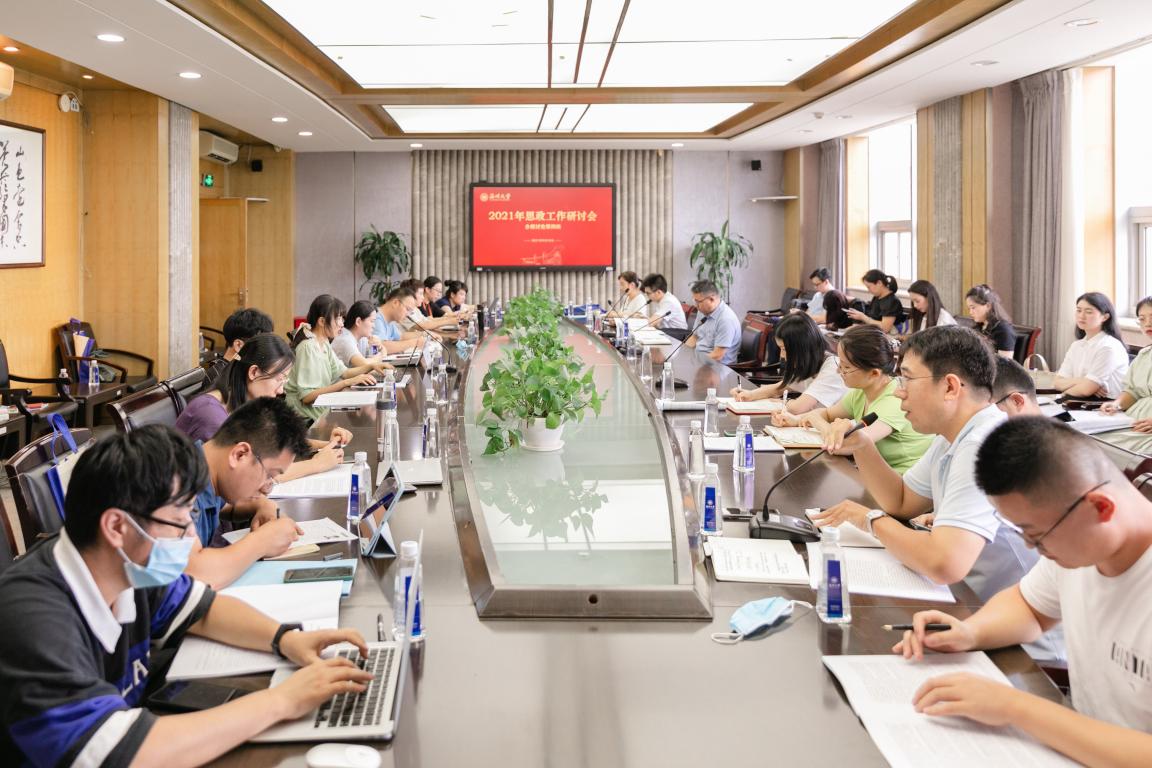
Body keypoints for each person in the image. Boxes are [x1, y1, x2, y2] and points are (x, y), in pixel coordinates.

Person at [0, 425, 374, 767]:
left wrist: (287, 639)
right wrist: (283, 700)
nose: (191, 537)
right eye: (179, 523)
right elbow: (123, 753)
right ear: (116, 526)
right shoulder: (32, 619)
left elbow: (204, 610)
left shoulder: (127, 566)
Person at [893, 417, 1152, 766]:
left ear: (1101, 507)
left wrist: (1015, 707)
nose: (1033, 548)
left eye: (1037, 535)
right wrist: (970, 632)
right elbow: (1030, 606)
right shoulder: (1080, 546)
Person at [812, 327, 1059, 660]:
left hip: (1023, 649)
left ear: (950, 387)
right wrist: (863, 444)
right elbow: (901, 501)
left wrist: (870, 520)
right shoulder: (953, 435)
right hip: (972, 611)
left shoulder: (982, 445)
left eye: (907, 379)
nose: (899, 393)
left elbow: (945, 563)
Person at [176, 333, 351, 482]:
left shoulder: (242, 403)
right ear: (253, 372)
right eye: (279, 379)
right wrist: (316, 464)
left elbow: (272, 442)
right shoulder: (210, 414)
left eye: (284, 381)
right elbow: (251, 477)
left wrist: (325, 446)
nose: (281, 390)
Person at [183, 397, 314, 588]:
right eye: (269, 475)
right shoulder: (178, 484)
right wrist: (263, 540)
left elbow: (222, 506)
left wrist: (262, 504)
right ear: (240, 454)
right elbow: (195, 574)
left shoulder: (206, 471)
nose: (265, 489)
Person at [771, 324, 931, 473]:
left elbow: (847, 445)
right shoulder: (861, 392)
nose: (838, 372)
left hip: (902, 482)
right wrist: (795, 420)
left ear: (874, 373)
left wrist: (817, 422)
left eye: (846, 367)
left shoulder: (893, 400)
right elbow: (826, 414)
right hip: (874, 474)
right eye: (840, 364)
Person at [285, 294, 386, 420]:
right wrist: (347, 382)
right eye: (338, 319)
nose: (342, 324)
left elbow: (344, 372)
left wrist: (371, 366)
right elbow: (307, 397)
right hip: (302, 416)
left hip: (318, 410)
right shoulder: (308, 347)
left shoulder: (324, 342)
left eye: (342, 319)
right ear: (322, 321)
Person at [730, 313, 846, 416]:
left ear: (802, 347)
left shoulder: (833, 368)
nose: (782, 355)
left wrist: (781, 402)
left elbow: (798, 408)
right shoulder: (810, 362)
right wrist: (750, 394)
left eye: (784, 349)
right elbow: (781, 387)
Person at [1051, 292, 1129, 399]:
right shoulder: (1076, 345)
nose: (1081, 316)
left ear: (1105, 317)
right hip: (1078, 401)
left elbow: (1085, 390)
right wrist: (1082, 381)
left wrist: (1065, 392)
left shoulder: (1108, 347)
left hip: (1104, 404)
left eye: (1088, 312)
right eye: (1079, 310)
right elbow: (1057, 382)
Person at [1099, 296, 1152, 454]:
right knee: (1093, 440)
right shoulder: (1144, 354)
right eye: (1142, 319)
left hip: (1147, 428)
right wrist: (1117, 404)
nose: (1148, 323)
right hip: (1134, 419)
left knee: (1115, 451)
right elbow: (1132, 391)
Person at [685, 279, 742, 365]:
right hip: (700, 361)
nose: (696, 305)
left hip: (718, 367)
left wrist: (694, 363)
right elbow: (694, 337)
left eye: (698, 302)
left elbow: (717, 355)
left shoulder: (726, 319)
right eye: (694, 301)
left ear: (711, 299)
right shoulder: (702, 311)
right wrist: (683, 354)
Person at [372, 288, 435, 352]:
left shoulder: (390, 320)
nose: (408, 315)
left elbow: (400, 336)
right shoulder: (375, 318)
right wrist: (415, 342)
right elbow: (382, 347)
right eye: (407, 309)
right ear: (395, 303)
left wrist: (426, 334)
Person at [965, 284, 1016, 359]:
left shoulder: (1004, 331)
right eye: (969, 309)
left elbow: (1005, 364)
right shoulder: (979, 327)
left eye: (973, 308)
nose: (970, 312)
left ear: (988, 306)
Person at [331, 300, 387, 367]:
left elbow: (382, 352)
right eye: (372, 321)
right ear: (358, 322)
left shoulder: (362, 337)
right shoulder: (344, 340)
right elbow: (364, 364)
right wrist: (379, 356)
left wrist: (379, 346)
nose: (374, 326)